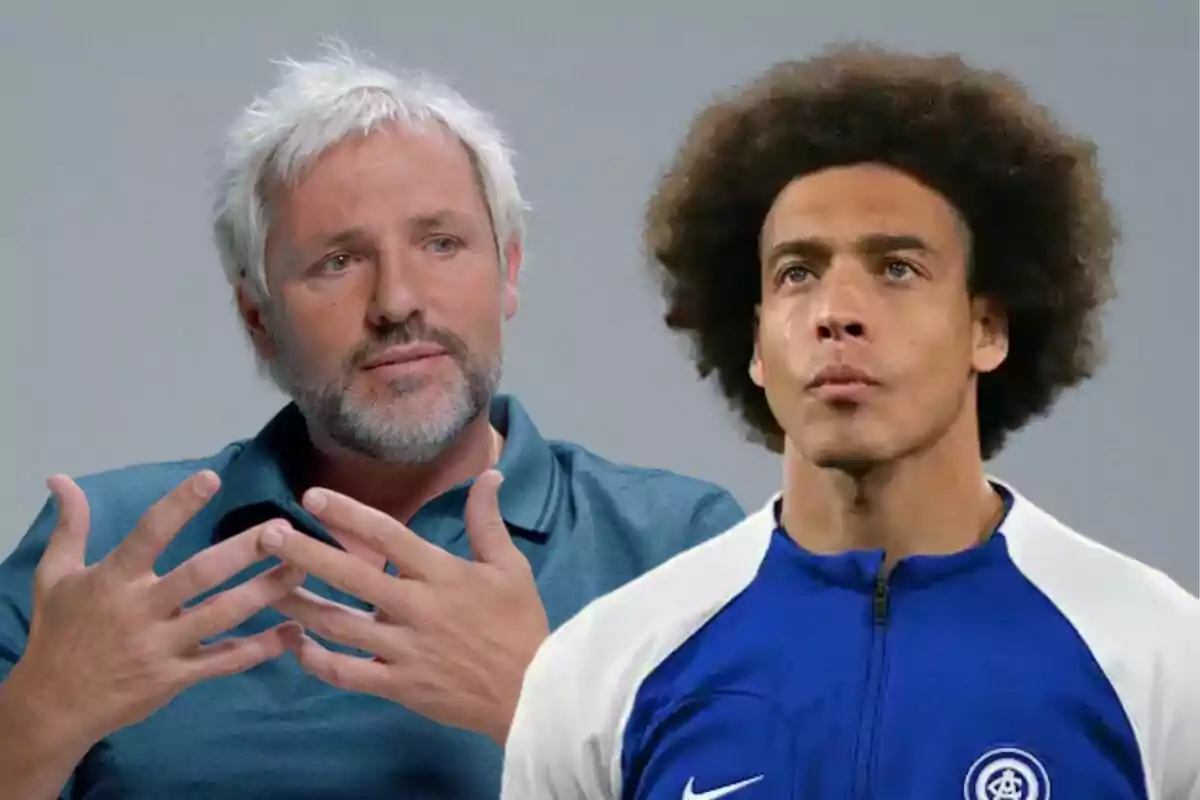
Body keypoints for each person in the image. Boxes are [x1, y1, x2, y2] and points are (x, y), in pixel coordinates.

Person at [0, 41, 747, 800]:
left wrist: (544, 705)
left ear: (509, 271)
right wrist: (33, 729)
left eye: (441, 243)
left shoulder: (679, 552)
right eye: (338, 261)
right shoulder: (99, 556)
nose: (396, 301)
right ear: (258, 318)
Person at [500, 43, 1200, 800]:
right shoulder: (604, 669)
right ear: (756, 345)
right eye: (798, 273)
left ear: (988, 328)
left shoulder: (1159, 655)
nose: (837, 314)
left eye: (897, 268)